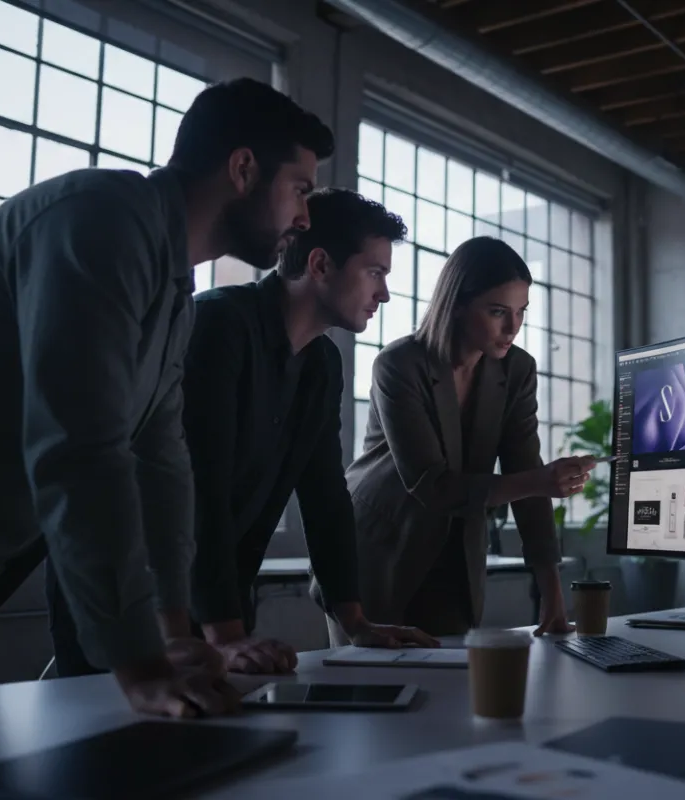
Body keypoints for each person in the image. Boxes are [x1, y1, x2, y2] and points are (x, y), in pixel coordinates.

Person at [0, 77, 331, 718]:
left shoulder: (171, 284)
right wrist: (140, 663)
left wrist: (172, 633)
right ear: (243, 169)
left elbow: (161, 464)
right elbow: (79, 450)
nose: (304, 217)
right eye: (300, 189)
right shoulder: (103, 219)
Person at [47, 188, 440, 678]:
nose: (383, 293)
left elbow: (325, 495)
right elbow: (197, 486)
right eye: (375, 272)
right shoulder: (218, 325)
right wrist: (225, 634)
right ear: (319, 265)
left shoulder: (321, 363)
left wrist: (355, 620)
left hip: (219, 601)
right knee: (105, 742)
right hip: (130, 592)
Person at [338, 236, 596, 639]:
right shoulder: (399, 365)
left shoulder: (517, 371)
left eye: (521, 312)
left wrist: (552, 596)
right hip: (378, 551)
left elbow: (526, 472)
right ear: (457, 305)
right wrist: (539, 480)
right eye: (497, 312)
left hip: (455, 559)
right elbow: (432, 485)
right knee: (368, 693)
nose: (513, 327)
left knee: (454, 696)